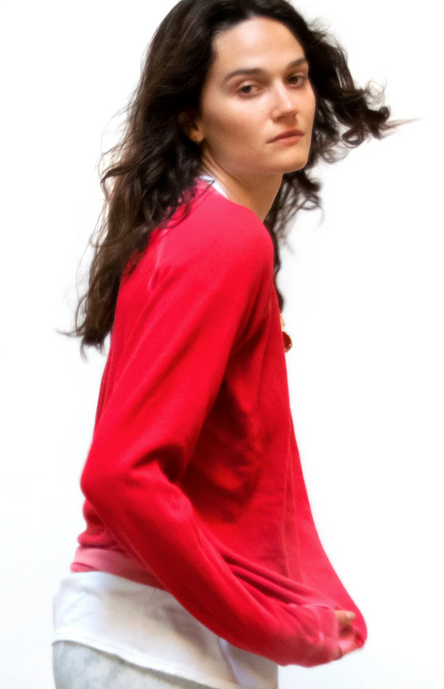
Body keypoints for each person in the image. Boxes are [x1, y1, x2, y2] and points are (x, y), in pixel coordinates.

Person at [52, 1, 397, 687]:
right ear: (192, 116)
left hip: (147, 640)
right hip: (153, 643)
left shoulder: (195, 227)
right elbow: (122, 473)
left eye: (295, 78)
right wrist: (272, 622)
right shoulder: (222, 237)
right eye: (248, 87)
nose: (285, 105)